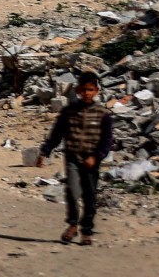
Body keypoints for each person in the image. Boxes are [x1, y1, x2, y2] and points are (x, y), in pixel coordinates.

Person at [35, 72, 114, 246]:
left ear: (96, 91)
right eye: (83, 90)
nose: (87, 93)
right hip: (73, 158)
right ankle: (72, 225)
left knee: (89, 196)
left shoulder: (102, 114)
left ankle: (87, 231)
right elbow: (56, 134)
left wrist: (96, 156)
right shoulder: (69, 112)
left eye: (90, 90)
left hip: (92, 161)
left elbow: (107, 141)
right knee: (72, 191)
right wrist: (44, 152)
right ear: (78, 90)